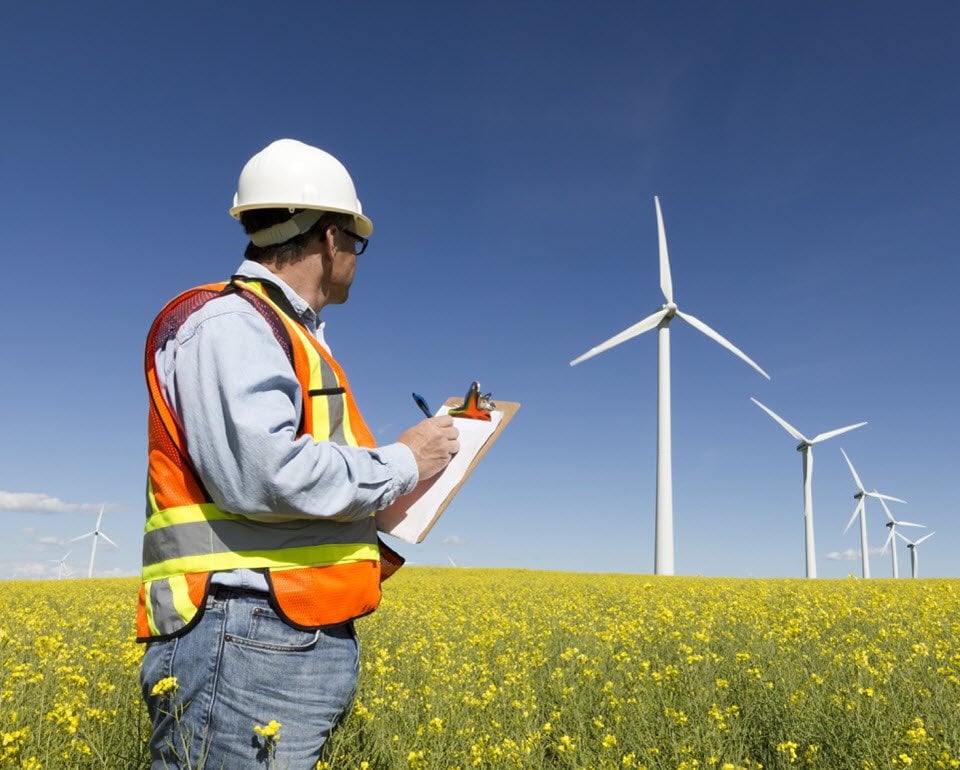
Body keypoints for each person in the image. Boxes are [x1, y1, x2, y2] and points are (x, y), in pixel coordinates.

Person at [138, 138, 460, 769]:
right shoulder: (232, 325)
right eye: (357, 245)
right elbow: (266, 475)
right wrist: (403, 460)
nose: (356, 261)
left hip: (280, 628)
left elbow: (296, 489)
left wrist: (400, 500)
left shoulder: (286, 335)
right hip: (245, 631)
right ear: (332, 239)